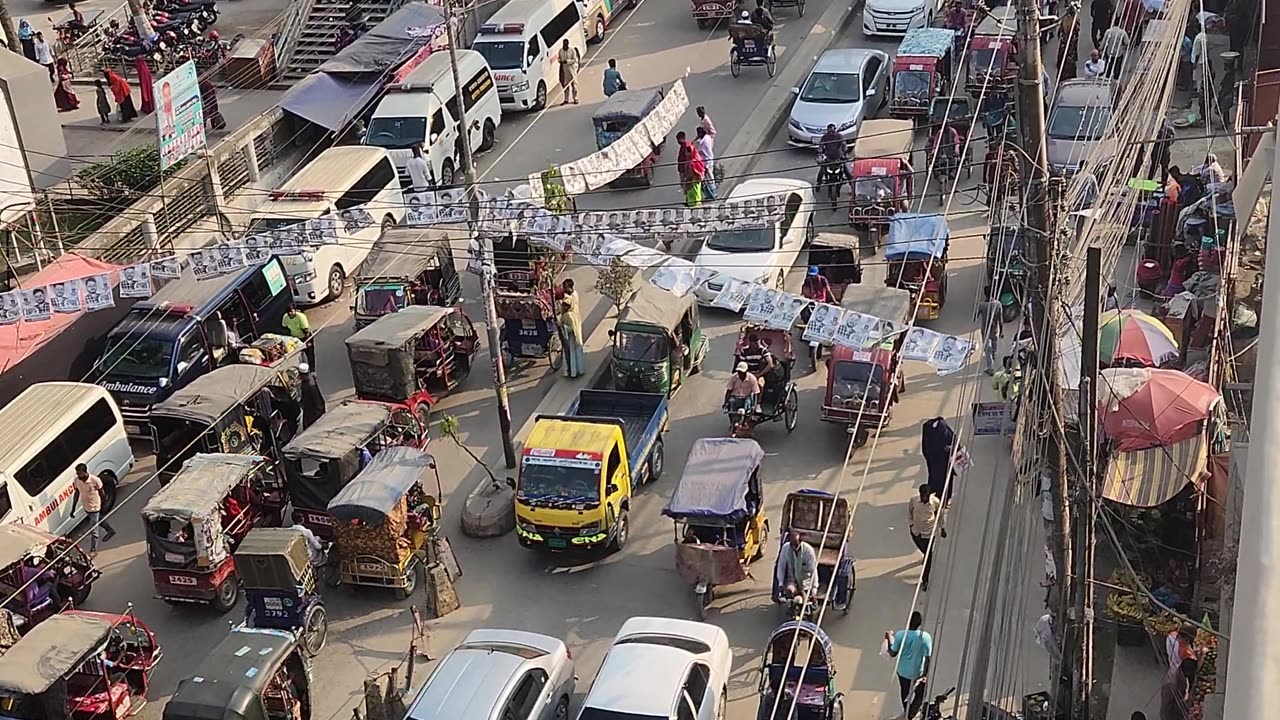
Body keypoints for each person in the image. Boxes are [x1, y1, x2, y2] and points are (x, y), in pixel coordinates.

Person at [885, 611, 933, 720]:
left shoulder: (900, 635)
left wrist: (888, 638)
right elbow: (928, 658)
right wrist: (925, 675)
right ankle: (912, 712)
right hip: (918, 673)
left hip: (903, 672)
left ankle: (908, 711)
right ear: (920, 623)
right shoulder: (925, 637)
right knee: (920, 694)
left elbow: (892, 653)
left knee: (905, 693)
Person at [907, 484, 946, 591]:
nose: (925, 497)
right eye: (923, 495)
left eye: (927, 495)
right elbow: (910, 512)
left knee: (928, 556)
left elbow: (940, 515)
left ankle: (925, 580)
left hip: (929, 532)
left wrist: (942, 528)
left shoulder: (935, 502)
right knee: (925, 551)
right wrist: (911, 524)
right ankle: (926, 555)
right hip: (916, 532)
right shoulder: (914, 501)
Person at [72, 464, 115, 553]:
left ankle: (93, 550)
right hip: (86, 507)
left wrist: (103, 505)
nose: (78, 476)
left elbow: (102, 493)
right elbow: (77, 493)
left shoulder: (95, 480)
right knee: (98, 519)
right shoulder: (77, 481)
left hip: (95, 507)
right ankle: (110, 530)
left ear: (85, 472)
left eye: (79, 474)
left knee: (93, 530)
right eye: (77, 474)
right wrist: (73, 508)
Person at [921, 417, 956, 504]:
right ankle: (941, 498)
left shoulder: (929, 431)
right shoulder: (944, 431)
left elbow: (925, 448)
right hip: (940, 460)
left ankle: (940, 497)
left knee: (938, 478)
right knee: (942, 479)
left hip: (938, 461)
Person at [776, 529, 817, 600]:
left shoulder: (808, 551)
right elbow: (781, 566)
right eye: (792, 545)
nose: (794, 547)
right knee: (789, 592)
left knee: (805, 598)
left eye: (796, 545)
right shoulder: (786, 548)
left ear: (800, 542)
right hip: (792, 580)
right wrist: (780, 584)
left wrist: (814, 590)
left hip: (805, 582)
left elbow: (813, 571)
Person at [560, 278, 585, 378]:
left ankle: (573, 371)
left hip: (571, 325)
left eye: (565, 287)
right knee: (578, 347)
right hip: (576, 322)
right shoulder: (575, 294)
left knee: (571, 348)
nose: (564, 289)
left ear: (570, 287)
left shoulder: (568, 302)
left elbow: (564, 308)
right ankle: (580, 369)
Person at [975, 285, 1004, 375]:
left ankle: (990, 367)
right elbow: (1001, 319)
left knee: (987, 348)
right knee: (994, 343)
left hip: (985, 330)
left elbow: (975, 316)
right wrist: (1002, 331)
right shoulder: (998, 304)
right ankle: (993, 356)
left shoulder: (982, 305)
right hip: (994, 328)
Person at [677, 131, 705, 207]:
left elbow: (694, 172)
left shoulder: (693, 162)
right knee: (691, 191)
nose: (686, 154)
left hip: (693, 179)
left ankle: (695, 204)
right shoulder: (691, 158)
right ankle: (690, 202)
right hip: (691, 178)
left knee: (694, 191)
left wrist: (687, 178)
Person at [299, 363, 326, 430]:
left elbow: (318, 403)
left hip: (313, 414)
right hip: (308, 410)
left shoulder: (311, 386)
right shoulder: (306, 381)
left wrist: (316, 418)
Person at [696, 126, 717, 200]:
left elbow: (705, 153)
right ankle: (711, 193)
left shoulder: (704, 142)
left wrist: (706, 166)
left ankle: (712, 194)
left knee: (709, 179)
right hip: (706, 161)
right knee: (709, 179)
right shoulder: (706, 138)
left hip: (706, 162)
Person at [559, 38, 581, 105]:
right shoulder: (561, 51)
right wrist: (561, 61)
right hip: (564, 70)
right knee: (565, 85)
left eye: (566, 44)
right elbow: (559, 58)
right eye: (564, 44)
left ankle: (575, 98)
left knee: (574, 85)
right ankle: (566, 99)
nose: (565, 46)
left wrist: (567, 61)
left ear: (568, 44)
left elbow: (574, 60)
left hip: (571, 69)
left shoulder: (572, 51)